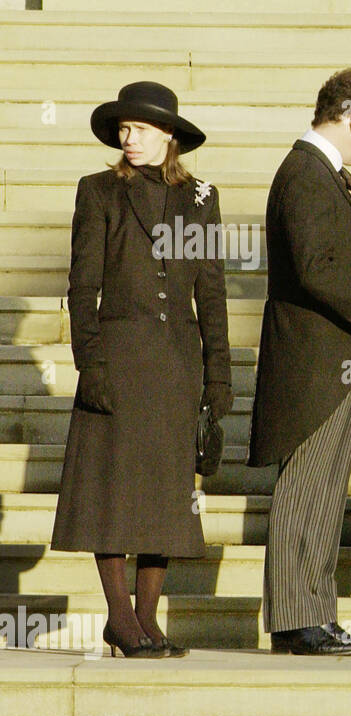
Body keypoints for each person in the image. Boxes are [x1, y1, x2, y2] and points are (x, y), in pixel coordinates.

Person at [51, 81, 232, 658]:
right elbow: (83, 286)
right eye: (123, 130)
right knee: (112, 492)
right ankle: (121, 617)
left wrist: (219, 378)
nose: (129, 139)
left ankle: (146, 621)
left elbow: (212, 290)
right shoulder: (99, 190)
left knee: (166, 497)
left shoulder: (201, 197)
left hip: (178, 362)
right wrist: (91, 362)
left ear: (168, 136)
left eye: (141, 130)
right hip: (119, 358)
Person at [247, 67, 351, 656]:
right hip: (315, 360)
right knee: (306, 489)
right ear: (349, 114)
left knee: (324, 490)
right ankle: (298, 618)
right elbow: (315, 268)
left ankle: (311, 613)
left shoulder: (318, 174)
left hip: (332, 354)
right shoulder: (307, 174)